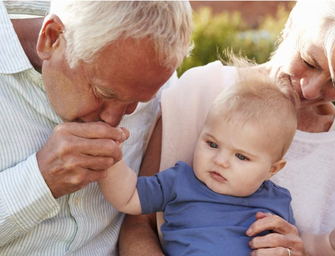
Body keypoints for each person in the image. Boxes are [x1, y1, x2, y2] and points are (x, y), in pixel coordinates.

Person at [118, 1, 335, 256]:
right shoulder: (201, 90)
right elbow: (138, 222)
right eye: (309, 62)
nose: (311, 89)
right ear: (291, 25)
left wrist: (298, 251)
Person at [0, 1, 192, 255]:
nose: (114, 120)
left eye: (137, 103)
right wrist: (41, 180)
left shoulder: (156, 80)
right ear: (51, 38)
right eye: (103, 92)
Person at [100, 72, 298, 255]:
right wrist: (111, 158)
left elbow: (299, 243)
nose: (220, 161)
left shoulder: (277, 201)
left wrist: (329, 242)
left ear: (271, 170)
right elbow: (127, 196)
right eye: (212, 144)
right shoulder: (180, 181)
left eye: (241, 157)